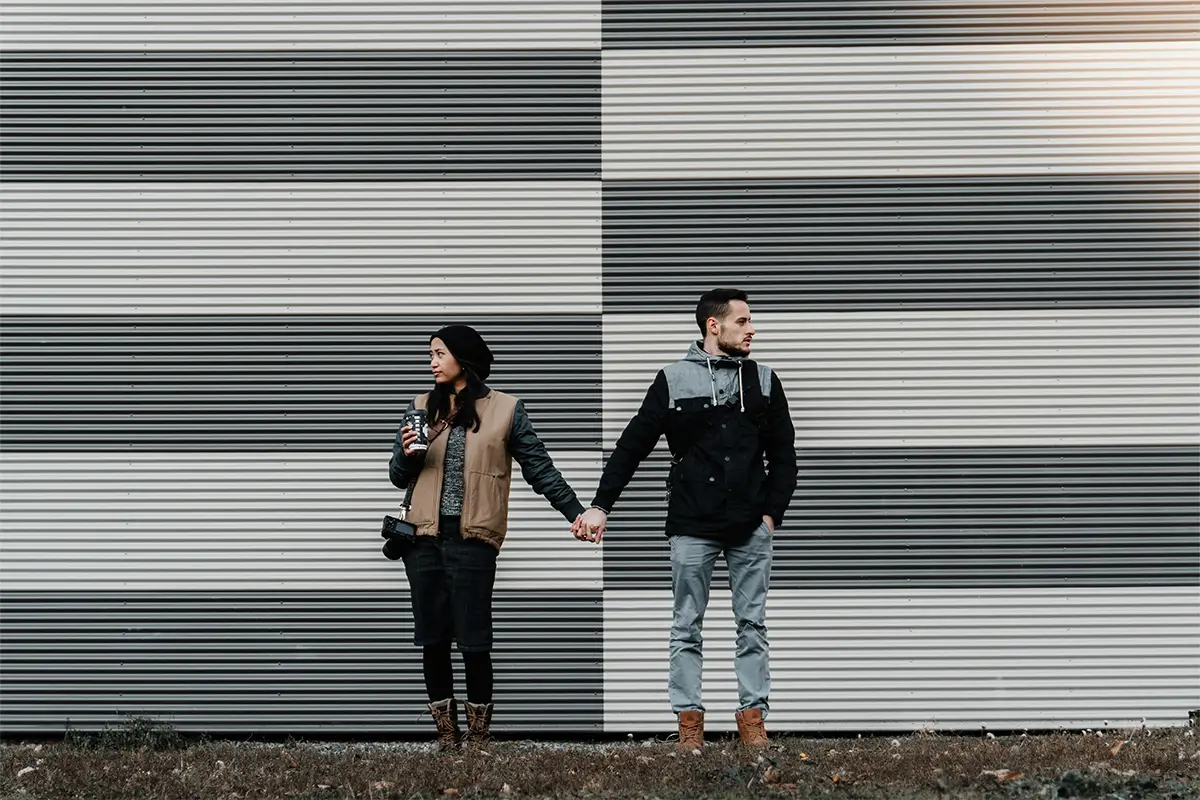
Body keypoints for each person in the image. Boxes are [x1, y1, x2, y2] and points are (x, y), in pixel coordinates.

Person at [573, 289, 797, 751]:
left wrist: (771, 516)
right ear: (713, 326)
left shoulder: (766, 381)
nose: (752, 329)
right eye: (742, 321)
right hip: (691, 524)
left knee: (751, 624)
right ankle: (689, 725)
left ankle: (753, 722)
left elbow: (785, 457)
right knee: (686, 625)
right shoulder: (673, 379)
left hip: (749, 527)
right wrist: (600, 504)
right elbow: (632, 445)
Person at [390, 324, 589, 751]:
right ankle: (447, 737)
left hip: (474, 541)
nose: (432, 362)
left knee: (475, 641)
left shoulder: (506, 410)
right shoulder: (420, 407)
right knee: (432, 639)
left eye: (439, 353)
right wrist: (407, 455)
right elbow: (397, 475)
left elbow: (540, 470)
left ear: (464, 357)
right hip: (422, 543)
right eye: (431, 354)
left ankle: (478, 739)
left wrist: (576, 512)